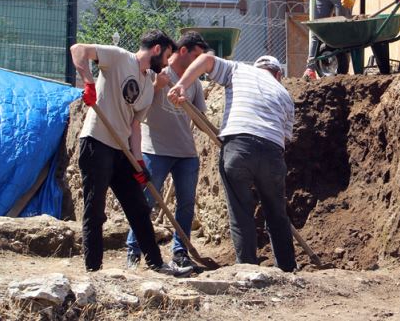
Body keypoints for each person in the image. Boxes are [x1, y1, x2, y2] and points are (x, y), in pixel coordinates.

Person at [70, 30, 192, 276]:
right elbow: (78, 50)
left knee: (138, 207)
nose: (168, 63)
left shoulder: (148, 84)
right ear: (156, 49)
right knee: (95, 208)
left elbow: (134, 126)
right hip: (96, 141)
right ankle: (94, 269)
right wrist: (88, 81)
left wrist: (138, 162)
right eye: (167, 55)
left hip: (122, 151)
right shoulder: (118, 57)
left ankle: (156, 263)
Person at [167, 54, 297, 273]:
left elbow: (206, 59)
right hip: (273, 153)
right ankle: (287, 269)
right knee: (276, 213)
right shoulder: (284, 94)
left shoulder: (239, 69)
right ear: (278, 74)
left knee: (241, 211)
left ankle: (247, 270)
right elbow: (283, 140)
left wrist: (181, 85)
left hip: (238, 147)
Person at [125, 31, 210, 271]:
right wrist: (156, 85)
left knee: (186, 204)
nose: (198, 62)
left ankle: (180, 253)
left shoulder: (194, 82)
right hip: (155, 150)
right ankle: (134, 250)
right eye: (196, 56)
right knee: (146, 201)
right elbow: (137, 103)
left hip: (186, 153)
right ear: (183, 51)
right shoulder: (157, 72)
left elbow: (200, 119)